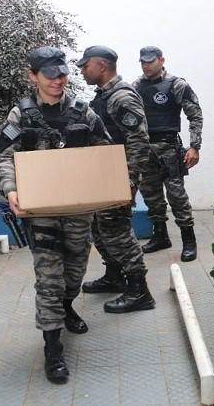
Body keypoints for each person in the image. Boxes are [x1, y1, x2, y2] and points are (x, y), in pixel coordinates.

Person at [0, 47, 111, 382]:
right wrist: (10, 188)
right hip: (40, 210)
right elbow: (6, 156)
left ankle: (68, 304)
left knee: (75, 270)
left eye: (62, 73)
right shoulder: (21, 115)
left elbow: (105, 153)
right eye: (50, 75)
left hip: (77, 210)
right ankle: (52, 345)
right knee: (49, 277)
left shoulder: (82, 111)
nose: (58, 80)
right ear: (32, 75)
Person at [76, 45, 156, 313]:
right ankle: (114, 276)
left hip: (118, 176)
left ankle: (139, 291)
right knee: (101, 229)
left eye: (85, 65)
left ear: (101, 65)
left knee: (118, 233)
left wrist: (130, 181)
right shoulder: (104, 96)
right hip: (104, 174)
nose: (82, 70)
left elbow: (139, 141)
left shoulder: (122, 97)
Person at [132, 46, 203, 262]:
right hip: (145, 150)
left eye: (150, 61)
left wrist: (194, 146)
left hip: (169, 148)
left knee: (177, 196)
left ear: (161, 60)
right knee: (151, 195)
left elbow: (195, 115)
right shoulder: (136, 86)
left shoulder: (177, 85)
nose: (146, 65)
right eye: (142, 61)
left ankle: (189, 240)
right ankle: (160, 236)